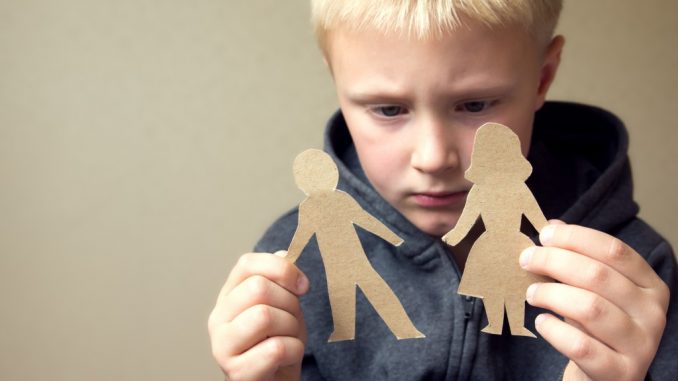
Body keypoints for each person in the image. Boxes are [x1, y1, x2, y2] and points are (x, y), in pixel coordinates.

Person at [208, 1, 677, 380]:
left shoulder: (629, 276)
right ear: (336, 81)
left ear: (542, 76)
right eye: (389, 109)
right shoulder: (290, 272)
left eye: (474, 104)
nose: (433, 157)